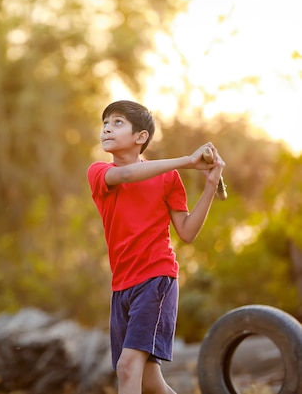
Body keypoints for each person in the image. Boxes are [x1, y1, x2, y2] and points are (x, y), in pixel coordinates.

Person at [87, 100, 225, 394]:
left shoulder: (167, 178)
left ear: (141, 137)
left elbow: (187, 232)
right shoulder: (99, 172)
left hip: (156, 279)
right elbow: (125, 175)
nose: (107, 128)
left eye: (117, 122)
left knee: (127, 368)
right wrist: (188, 161)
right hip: (121, 286)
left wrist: (210, 186)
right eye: (105, 123)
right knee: (150, 382)